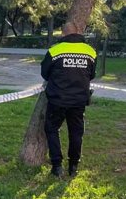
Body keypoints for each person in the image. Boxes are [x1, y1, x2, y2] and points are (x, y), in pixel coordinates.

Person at [40, 31, 97, 178]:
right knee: (76, 132)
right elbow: (92, 74)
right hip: (79, 101)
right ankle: (73, 166)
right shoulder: (90, 51)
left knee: (51, 129)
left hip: (57, 99)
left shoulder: (55, 50)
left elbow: (44, 73)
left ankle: (57, 166)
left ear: (64, 35)